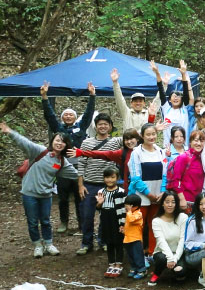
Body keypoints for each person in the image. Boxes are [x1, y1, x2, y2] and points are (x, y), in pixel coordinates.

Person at [1, 122, 77, 257]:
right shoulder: (40, 151)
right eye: (57, 140)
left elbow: (76, 175)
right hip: (29, 193)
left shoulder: (62, 162)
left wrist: (94, 180)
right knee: (32, 221)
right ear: (52, 141)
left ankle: (49, 244)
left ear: (66, 145)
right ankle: (37, 245)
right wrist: (10, 132)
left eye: (63, 142)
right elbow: (25, 142)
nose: (59, 143)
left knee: (46, 220)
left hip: (46, 194)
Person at [40, 80, 96, 233]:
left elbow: (89, 114)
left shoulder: (81, 127)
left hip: (79, 168)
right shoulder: (59, 129)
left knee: (80, 197)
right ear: (63, 118)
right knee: (63, 197)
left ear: (75, 117)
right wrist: (44, 98)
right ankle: (64, 222)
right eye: (66, 115)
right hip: (63, 167)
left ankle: (81, 223)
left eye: (71, 114)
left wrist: (92, 96)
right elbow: (50, 116)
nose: (69, 116)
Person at [77, 113, 122, 255]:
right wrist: (80, 185)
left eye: (106, 124)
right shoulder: (86, 143)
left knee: (107, 216)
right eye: (100, 124)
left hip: (108, 186)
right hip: (89, 184)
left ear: (110, 126)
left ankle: (103, 241)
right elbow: (81, 164)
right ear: (95, 126)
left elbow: (134, 136)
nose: (103, 126)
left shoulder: (115, 142)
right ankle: (86, 243)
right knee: (87, 216)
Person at [128, 122, 167, 254]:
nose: (151, 137)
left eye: (153, 134)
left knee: (154, 225)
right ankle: (138, 255)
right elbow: (135, 177)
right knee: (138, 225)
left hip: (158, 195)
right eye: (148, 134)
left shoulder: (160, 151)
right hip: (142, 196)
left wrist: (162, 192)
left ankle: (152, 252)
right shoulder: (136, 153)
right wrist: (148, 193)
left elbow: (165, 173)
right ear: (142, 136)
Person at [148, 191, 188, 286]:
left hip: (178, 252)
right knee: (162, 259)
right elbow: (161, 241)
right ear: (162, 204)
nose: (170, 205)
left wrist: (175, 258)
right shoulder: (156, 221)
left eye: (173, 202)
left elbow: (183, 239)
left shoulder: (183, 217)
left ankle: (175, 270)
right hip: (162, 252)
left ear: (177, 204)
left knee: (181, 273)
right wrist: (170, 258)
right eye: (167, 202)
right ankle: (157, 273)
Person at [96, 167, 126, 278]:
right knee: (108, 241)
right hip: (105, 218)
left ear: (117, 178)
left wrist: (123, 224)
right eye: (107, 177)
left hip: (116, 219)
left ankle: (119, 264)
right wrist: (99, 203)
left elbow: (124, 210)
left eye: (112, 177)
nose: (110, 180)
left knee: (118, 241)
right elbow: (98, 208)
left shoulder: (121, 192)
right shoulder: (101, 192)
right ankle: (111, 263)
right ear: (104, 178)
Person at [165, 129, 205, 211]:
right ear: (190, 142)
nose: (198, 143)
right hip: (186, 200)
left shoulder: (203, 158)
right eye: (196, 140)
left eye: (201, 141)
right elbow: (175, 180)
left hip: (199, 200)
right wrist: (181, 199)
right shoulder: (184, 157)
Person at [111, 67, 156, 131]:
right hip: (129, 140)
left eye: (140, 101)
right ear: (131, 103)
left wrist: (164, 85)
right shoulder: (126, 113)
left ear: (144, 104)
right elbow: (119, 99)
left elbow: (157, 100)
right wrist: (115, 83)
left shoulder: (149, 113)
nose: (138, 103)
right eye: (135, 101)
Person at [122, 194, 146, 279]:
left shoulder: (138, 214)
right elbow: (128, 224)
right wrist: (123, 229)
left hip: (136, 239)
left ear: (135, 206)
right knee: (130, 255)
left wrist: (128, 212)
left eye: (128, 206)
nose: (126, 207)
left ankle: (142, 270)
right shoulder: (130, 213)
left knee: (137, 255)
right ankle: (134, 268)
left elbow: (131, 220)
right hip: (128, 238)